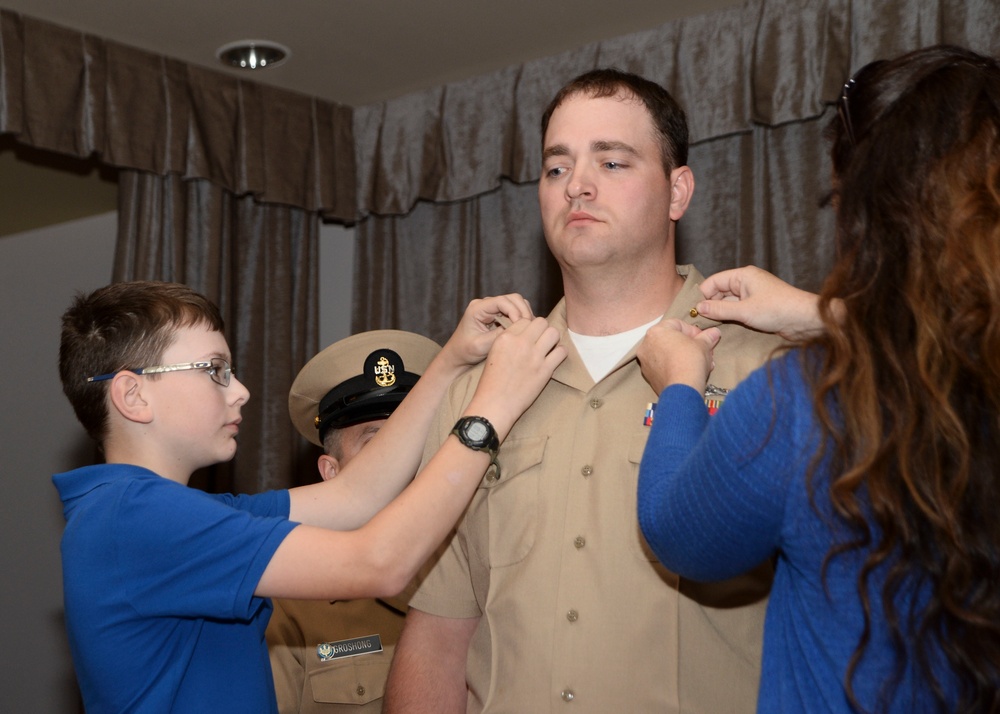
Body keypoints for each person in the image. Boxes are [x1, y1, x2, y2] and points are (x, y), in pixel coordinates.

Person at [384, 69, 785, 713]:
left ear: (678, 190)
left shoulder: (769, 369)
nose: (578, 186)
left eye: (614, 162)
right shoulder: (481, 395)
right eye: (556, 168)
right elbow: (440, 630)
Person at [636, 45, 1000, 713]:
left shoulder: (807, 403)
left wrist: (679, 388)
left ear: (860, 211)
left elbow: (676, 529)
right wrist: (821, 312)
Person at [53, 280, 566, 713]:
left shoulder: (166, 513)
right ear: (133, 395)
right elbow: (378, 562)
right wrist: (493, 406)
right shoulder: (137, 518)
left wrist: (453, 360)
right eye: (215, 371)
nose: (241, 391)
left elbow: (354, 496)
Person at [268, 329, 441, 713]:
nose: (404, 459)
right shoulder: (294, 602)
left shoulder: (483, 569)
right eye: (378, 442)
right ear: (331, 472)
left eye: (417, 438)